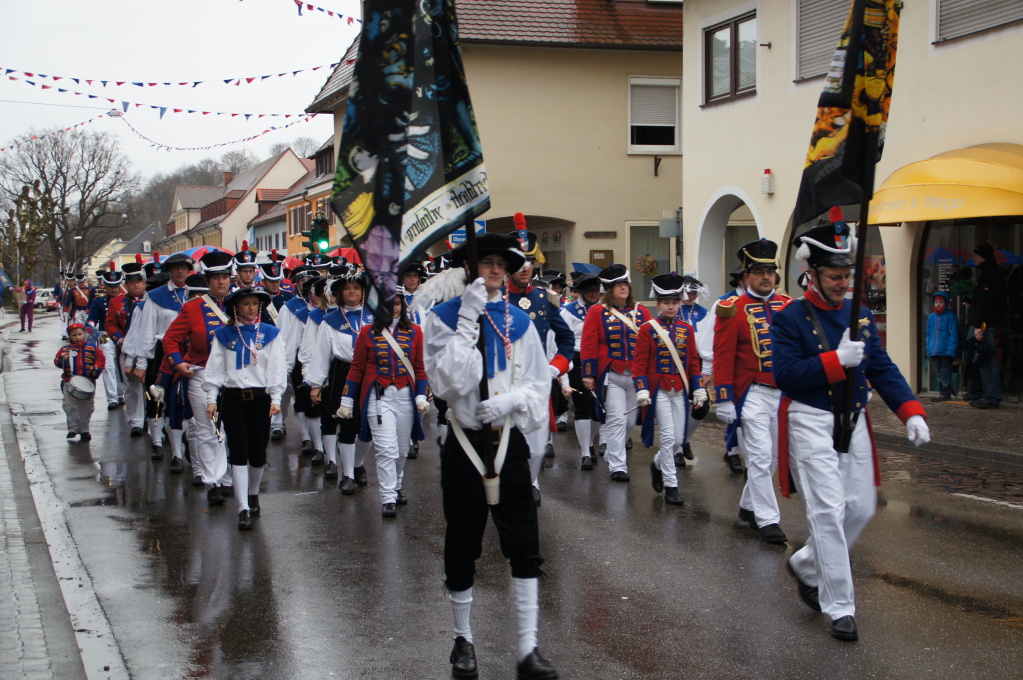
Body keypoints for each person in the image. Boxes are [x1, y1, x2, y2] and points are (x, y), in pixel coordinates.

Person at [775, 220, 930, 642]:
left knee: (860, 507)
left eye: (848, 275)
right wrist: (835, 361)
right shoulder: (790, 317)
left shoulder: (859, 314)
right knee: (827, 510)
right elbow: (786, 374)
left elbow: (881, 367)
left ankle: (807, 564)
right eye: (836, 276)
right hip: (810, 417)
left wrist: (910, 411)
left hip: (854, 417)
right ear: (813, 274)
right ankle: (839, 605)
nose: (844, 283)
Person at [423, 233, 557, 680]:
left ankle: (528, 647)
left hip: (508, 440)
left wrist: (511, 400)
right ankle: (463, 640)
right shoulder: (442, 319)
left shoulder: (519, 320)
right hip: (464, 443)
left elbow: (539, 384)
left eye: (503, 263)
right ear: (468, 268)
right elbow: (449, 385)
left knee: (524, 542)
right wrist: (467, 318)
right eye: (487, 262)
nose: (497, 270)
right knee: (463, 540)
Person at [712, 239, 790, 545]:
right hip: (752, 392)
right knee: (759, 455)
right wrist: (724, 397)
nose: (765, 277)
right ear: (746, 276)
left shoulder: (789, 306)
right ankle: (768, 519)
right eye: (758, 271)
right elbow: (722, 355)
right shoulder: (732, 309)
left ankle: (747, 506)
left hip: (783, 392)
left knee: (772, 457)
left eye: (769, 271)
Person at [203, 287, 287, 530]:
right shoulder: (223, 334)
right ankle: (242, 508)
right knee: (238, 450)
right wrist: (211, 397)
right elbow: (215, 368)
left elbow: (277, 368)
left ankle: (253, 493)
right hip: (233, 398)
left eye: (254, 304)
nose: (251, 308)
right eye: (246, 304)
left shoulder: (271, 334)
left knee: (258, 451)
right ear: (235, 308)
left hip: (261, 398)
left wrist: (275, 398)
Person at [339, 295, 428, 517]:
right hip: (378, 397)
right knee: (386, 448)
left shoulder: (416, 331)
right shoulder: (366, 332)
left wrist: (421, 396)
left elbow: (420, 367)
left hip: (406, 395)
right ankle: (387, 496)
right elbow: (357, 368)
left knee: (401, 450)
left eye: (396, 304)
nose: (393, 309)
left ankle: (397, 487)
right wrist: (346, 400)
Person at [505, 225, 574, 505]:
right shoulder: (493, 298)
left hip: (535, 380)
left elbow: (566, 339)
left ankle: (531, 480)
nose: (525, 268)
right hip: (504, 380)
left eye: (530, 262)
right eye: (519, 262)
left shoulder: (544, 298)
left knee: (536, 443)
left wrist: (555, 368)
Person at [162, 252, 234, 499]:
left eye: (225, 277)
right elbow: (171, 339)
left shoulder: (244, 304)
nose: (221, 282)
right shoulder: (193, 308)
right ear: (208, 281)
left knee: (230, 429)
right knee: (208, 429)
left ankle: (227, 477)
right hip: (201, 375)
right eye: (216, 278)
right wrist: (178, 363)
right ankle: (213, 481)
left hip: (235, 377)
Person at [631, 273, 707, 506]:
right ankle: (672, 486)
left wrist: (698, 388)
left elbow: (693, 363)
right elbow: (640, 363)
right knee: (668, 438)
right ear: (658, 304)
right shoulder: (648, 329)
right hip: (660, 390)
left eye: (674, 302)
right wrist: (642, 389)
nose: (671, 306)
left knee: (679, 439)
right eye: (666, 303)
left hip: (680, 390)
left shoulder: (686, 329)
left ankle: (657, 464)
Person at [581, 263, 653, 483]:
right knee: (616, 420)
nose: (623, 288)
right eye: (618, 285)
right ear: (609, 290)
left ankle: (615, 452)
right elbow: (589, 342)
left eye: (625, 284)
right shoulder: (597, 311)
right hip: (612, 374)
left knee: (630, 421)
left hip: (637, 376)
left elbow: (653, 342)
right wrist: (589, 374)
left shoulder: (642, 311)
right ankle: (617, 466)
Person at [124, 252, 195, 459]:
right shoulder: (155, 296)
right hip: (162, 352)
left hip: (190, 352)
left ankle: (184, 444)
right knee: (155, 398)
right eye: (176, 268)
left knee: (183, 400)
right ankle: (156, 440)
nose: (180, 271)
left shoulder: (197, 292)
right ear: (170, 271)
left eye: (184, 267)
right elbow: (147, 330)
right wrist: (141, 362)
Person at [307, 274, 373, 492]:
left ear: (363, 292)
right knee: (347, 423)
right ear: (339, 294)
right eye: (347, 289)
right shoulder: (330, 321)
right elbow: (321, 353)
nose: (352, 291)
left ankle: (358, 464)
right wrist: (316, 384)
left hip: (371, 374)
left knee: (370, 425)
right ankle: (348, 475)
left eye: (356, 287)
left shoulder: (375, 317)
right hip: (343, 375)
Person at [559, 272, 602, 469]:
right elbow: (562, 339)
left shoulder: (605, 309)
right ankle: (585, 452)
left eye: (596, 290)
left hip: (601, 359)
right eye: (589, 291)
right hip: (577, 358)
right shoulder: (569, 312)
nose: (594, 294)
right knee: (582, 403)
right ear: (582, 293)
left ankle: (590, 442)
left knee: (598, 406)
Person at [106, 257, 148, 437]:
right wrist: (119, 339)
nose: (136, 286)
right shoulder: (117, 302)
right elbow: (110, 324)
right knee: (131, 387)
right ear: (126, 284)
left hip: (148, 349)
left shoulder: (152, 300)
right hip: (127, 350)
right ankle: (136, 421)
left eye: (139, 281)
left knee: (151, 386)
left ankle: (153, 419)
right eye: (132, 283)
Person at [674, 275, 712, 466]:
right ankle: (677, 448)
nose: (691, 296)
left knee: (702, 406)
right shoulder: (672, 309)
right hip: (674, 363)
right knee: (678, 406)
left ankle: (684, 439)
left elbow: (708, 342)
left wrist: (707, 370)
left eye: (694, 292)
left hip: (695, 363)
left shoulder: (704, 313)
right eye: (688, 292)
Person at [965, 243, 1006, 409]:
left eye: (976, 255)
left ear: (983, 256)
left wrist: (978, 325)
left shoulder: (990, 274)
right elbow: (983, 300)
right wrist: (972, 303)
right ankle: (978, 393)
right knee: (974, 359)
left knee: (984, 359)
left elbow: (987, 302)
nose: (974, 258)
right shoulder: (988, 272)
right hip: (981, 323)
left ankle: (990, 396)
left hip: (983, 325)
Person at [54, 323, 105, 442]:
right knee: (69, 406)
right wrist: (61, 359)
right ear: (69, 336)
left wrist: (96, 369)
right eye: (74, 335)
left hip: (87, 381)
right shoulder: (65, 349)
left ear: (84, 334)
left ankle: (84, 430)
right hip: (69, 382)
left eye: (80, 334)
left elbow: (100, 360)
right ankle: (72, 428)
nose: (78, 337)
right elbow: (57, 362)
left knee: (86, 408)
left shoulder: (92, 348)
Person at [87, 265, 125, 411]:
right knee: (108, 366)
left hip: (123, 336)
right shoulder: (98, 301)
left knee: (121, 367)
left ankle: (121, 394)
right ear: (105, 286)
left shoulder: (125, 300)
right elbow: (92, 319)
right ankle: (112, 398)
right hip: (105, 336)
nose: (114, 290)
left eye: (116, 286)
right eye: (111, 287)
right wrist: (90, 328)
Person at [926, 291, 959, 402]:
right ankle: (942, 392)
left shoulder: (951, 317)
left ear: (945, 303)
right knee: (939, 373)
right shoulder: (931, 317)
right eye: (936, 302)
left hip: (945, 351)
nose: (938, 304)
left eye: (941, 302)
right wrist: (928, 349)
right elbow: (929, 334)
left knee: (945, 373)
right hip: (935, 350)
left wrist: (951, 350)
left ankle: (945, 393)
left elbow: (953, 335)